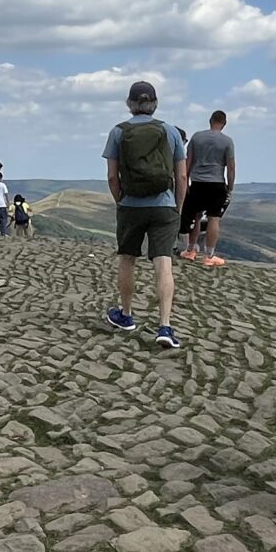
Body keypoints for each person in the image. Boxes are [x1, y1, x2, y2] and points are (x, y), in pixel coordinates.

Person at [103, 78, 189, 349]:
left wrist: (121, 201)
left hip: (130, 205)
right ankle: (165, 326)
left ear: (130, 104)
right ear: (154, 104)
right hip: (164, 205)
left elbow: (112, 177)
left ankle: (126, 315)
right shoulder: (171, 132)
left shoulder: (118, 131)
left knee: (128, 259)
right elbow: (182, 175)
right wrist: (178, 206)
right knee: (163, 263)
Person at [178, 110, 237, 266]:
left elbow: (188, 161)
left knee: (195, 216)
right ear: (224, 124)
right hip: (217, 183)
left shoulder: (197, 137)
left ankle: (191, 250)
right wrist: (229, 188)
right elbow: (230, 167)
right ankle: (209, 256)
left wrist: (187, 180)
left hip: (197, 182)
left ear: (210, 121)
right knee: (213, 218)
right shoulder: (227, 141)